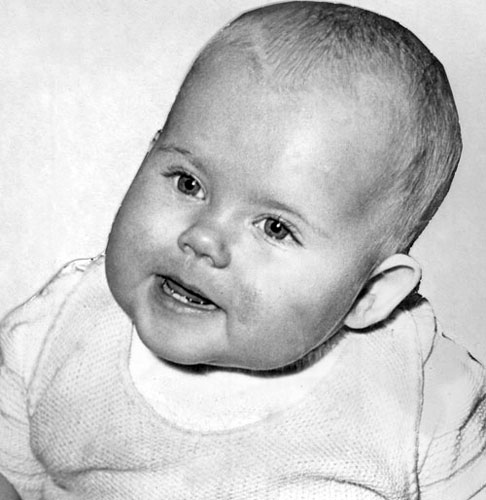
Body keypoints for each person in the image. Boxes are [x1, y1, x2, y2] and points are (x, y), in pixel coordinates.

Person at [1, 2, 485, 498]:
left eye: (274, 227)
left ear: (370, 293)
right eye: (188, 183)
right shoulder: (52, 334)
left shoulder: (419, 388)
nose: (203, 238)